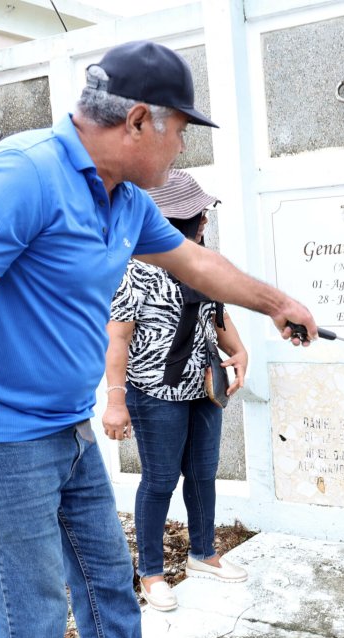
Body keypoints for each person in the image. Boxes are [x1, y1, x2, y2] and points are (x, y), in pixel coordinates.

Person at [0, 40, 317, 638]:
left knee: (110, 590)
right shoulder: (22, 175)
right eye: (180, 132)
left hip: (70, 432)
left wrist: (276, 303)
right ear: (139, 119)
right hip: (1, 440)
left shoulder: (125, 199)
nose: (182, 151)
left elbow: (196, 262)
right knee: (31, 627)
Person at [103, 170, 249, 612]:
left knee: (204, 471)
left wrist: (239, 351)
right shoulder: (132, 271)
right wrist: (115, 400)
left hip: (203, 387)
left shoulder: (202, 262)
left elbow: (216, 316)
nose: (203, 221)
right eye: (198, 216)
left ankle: (203, 553)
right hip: (153, 392)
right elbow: (118, 339)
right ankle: (151, 574)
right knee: (161, 479)